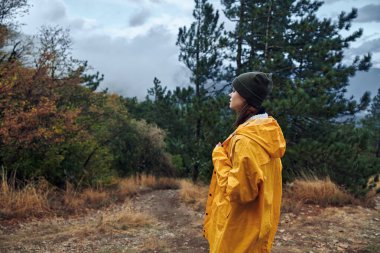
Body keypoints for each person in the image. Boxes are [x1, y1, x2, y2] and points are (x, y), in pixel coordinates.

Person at [203, 72, 286, 253]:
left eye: (234, 90)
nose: (230, 94)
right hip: (254, 227)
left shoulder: (247, 141)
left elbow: (240, 192)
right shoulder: (266, 132)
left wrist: (218, 157)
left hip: (238, 232)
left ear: (246, 98)